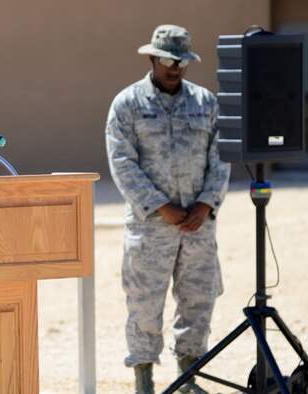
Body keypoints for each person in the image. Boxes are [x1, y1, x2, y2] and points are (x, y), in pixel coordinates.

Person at [105, 25, 230, 394]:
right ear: (151, 59)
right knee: (144, 306)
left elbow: (221, 157)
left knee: (198, 302)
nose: (174, 68)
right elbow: (122, 163)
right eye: (167, 61)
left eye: (181, 61)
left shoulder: (206, 103)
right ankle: (144, 381)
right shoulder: (127, 104)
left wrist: (206, 203)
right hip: (151, 228)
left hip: (198, 225)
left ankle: (189, 379)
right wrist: (162, 207)